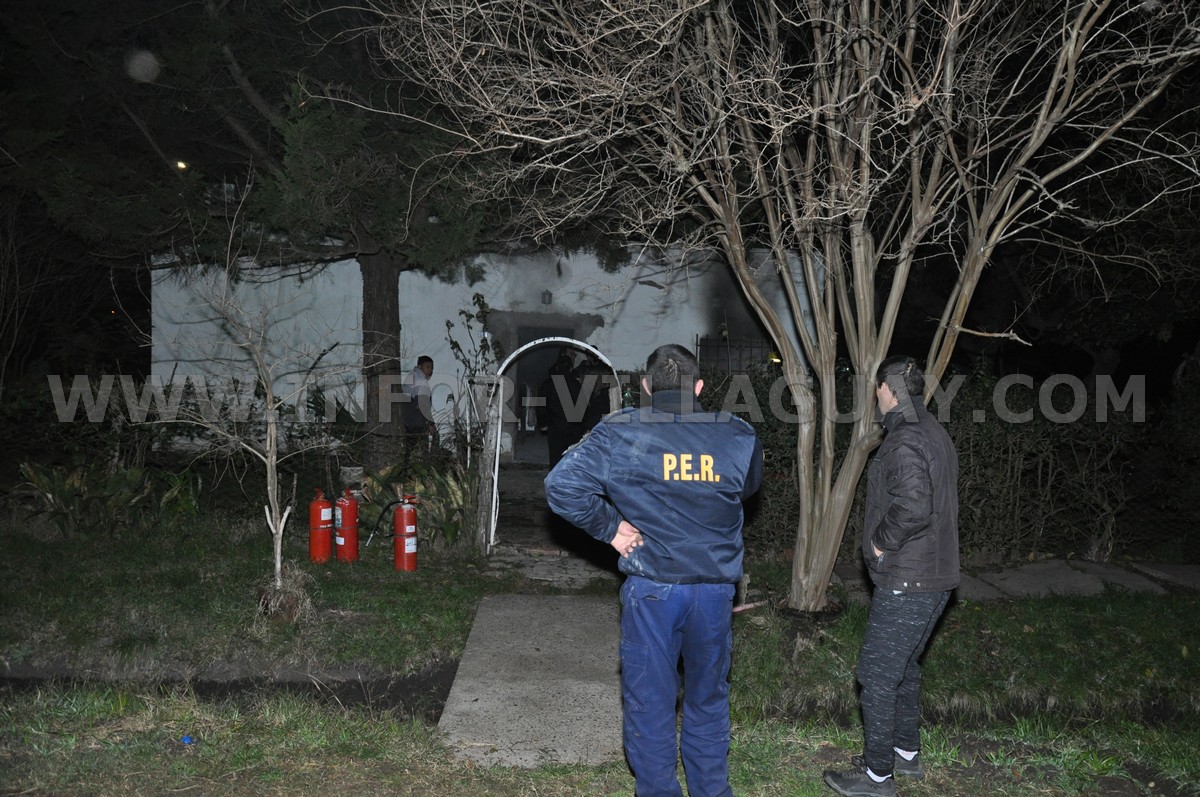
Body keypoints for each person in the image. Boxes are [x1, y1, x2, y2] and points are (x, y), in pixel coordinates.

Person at [544, 343, 763, 797]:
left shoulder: (619, 431)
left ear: (645, 386)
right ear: (699, 387)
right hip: (714, 591)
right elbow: (744, 490)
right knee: (708, 697)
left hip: (653, 590)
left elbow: (562, 485)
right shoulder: (738, 434)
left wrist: (612, 528)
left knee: (650, 701)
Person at [823, 356, 960, 797]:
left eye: (876, 388)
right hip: (935, 575)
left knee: (876, 676)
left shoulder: (904, 438)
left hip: (909, 577)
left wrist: (880, 543)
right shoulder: (932, 430)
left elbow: (914, 506)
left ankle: (877, 777)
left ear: (887, 389)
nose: (875, 395)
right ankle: (905, 753)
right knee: (904, 667)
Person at [537, 351, 583, 468]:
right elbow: (583, 406)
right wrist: (583, 426)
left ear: (557, 367)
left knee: (555, 456)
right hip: (573, 427)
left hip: (555, 426)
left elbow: (541, 405)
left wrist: (542, 423)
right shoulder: (576, 384)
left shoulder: (548, 384)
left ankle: (556, 476)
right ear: (571, 369)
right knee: (572, 456)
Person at [401, 355, 435, 454]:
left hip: (408, 421)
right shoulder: (420, 381)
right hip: (417, 423)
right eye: (427, 367)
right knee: (421, 452)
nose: (430, 370)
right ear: (420, 366)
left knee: (409, 451)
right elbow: (423, 404)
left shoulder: (411, 376)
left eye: (431, 368)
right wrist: (430, 423)